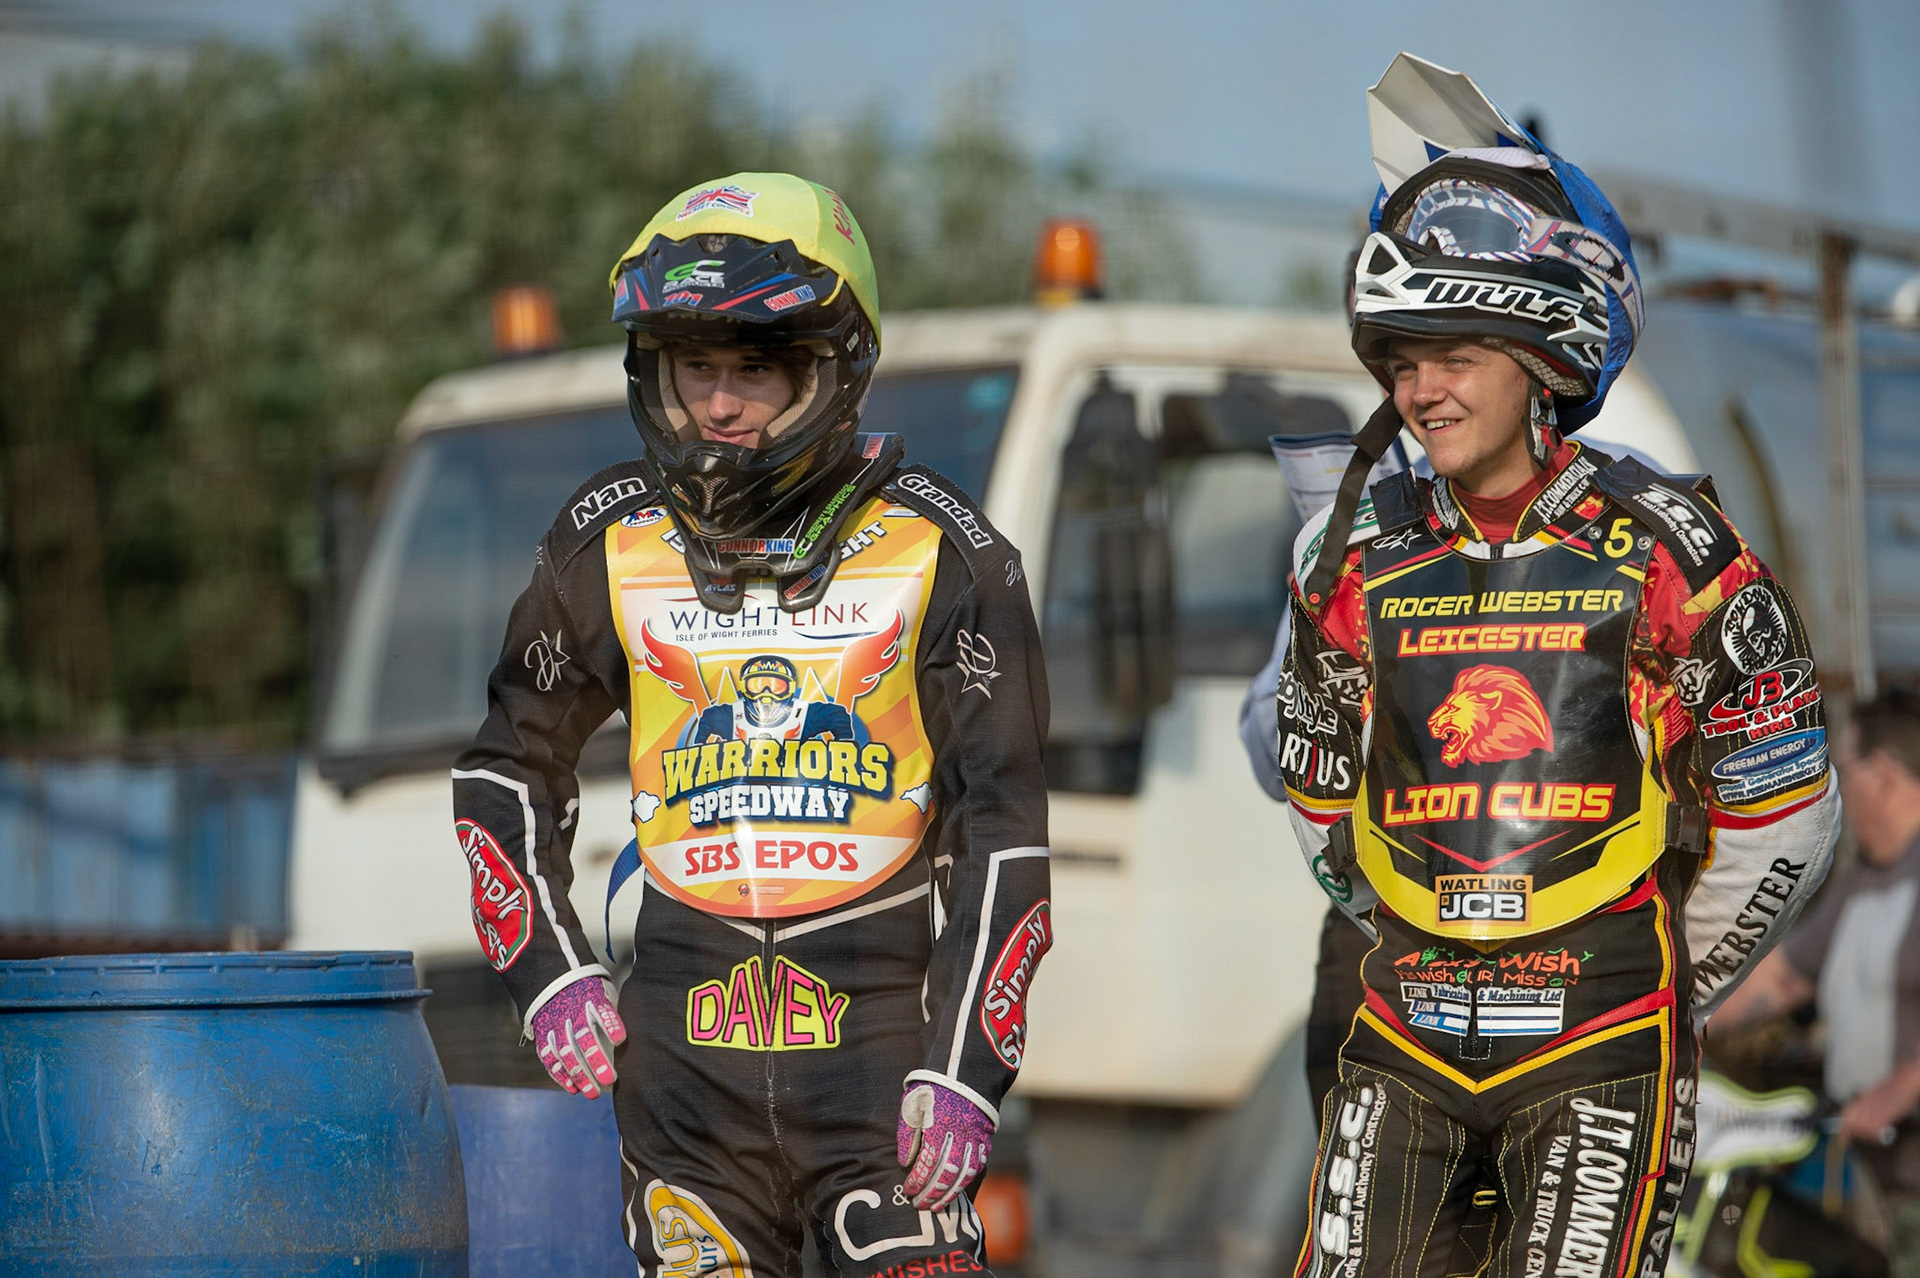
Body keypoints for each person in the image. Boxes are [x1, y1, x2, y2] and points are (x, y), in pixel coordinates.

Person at [1283, 55, 1840, 1278]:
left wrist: (1664, 970)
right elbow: (1319, 801)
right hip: (1403, 1036)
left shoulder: (1673, 551)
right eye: (1400, 360)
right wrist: (1419, 937)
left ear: (1547, 356)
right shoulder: (1350, 558)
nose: (1419, 391)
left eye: (1453, 355)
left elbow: (1791, 811)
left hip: (1604, 1046)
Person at [452, 172, 1051, 1276]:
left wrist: (966, 1067)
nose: (720, 405)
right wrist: (549, 969)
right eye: (696, 369)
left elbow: (1003, 831)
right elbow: (502, 774)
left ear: (835, 367)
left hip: (884, 1086)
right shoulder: (602, 539)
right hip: (683, 1093)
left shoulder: (950, 549)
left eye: (756, 370)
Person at [1713, 686, 1920, 1271]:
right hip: (1875, 1172)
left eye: (1844, 770)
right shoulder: (1864, 881)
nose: (1839, 789)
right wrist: (1680, 1022)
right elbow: (1779, 982)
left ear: (1881, 774)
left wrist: (1900, 1088)